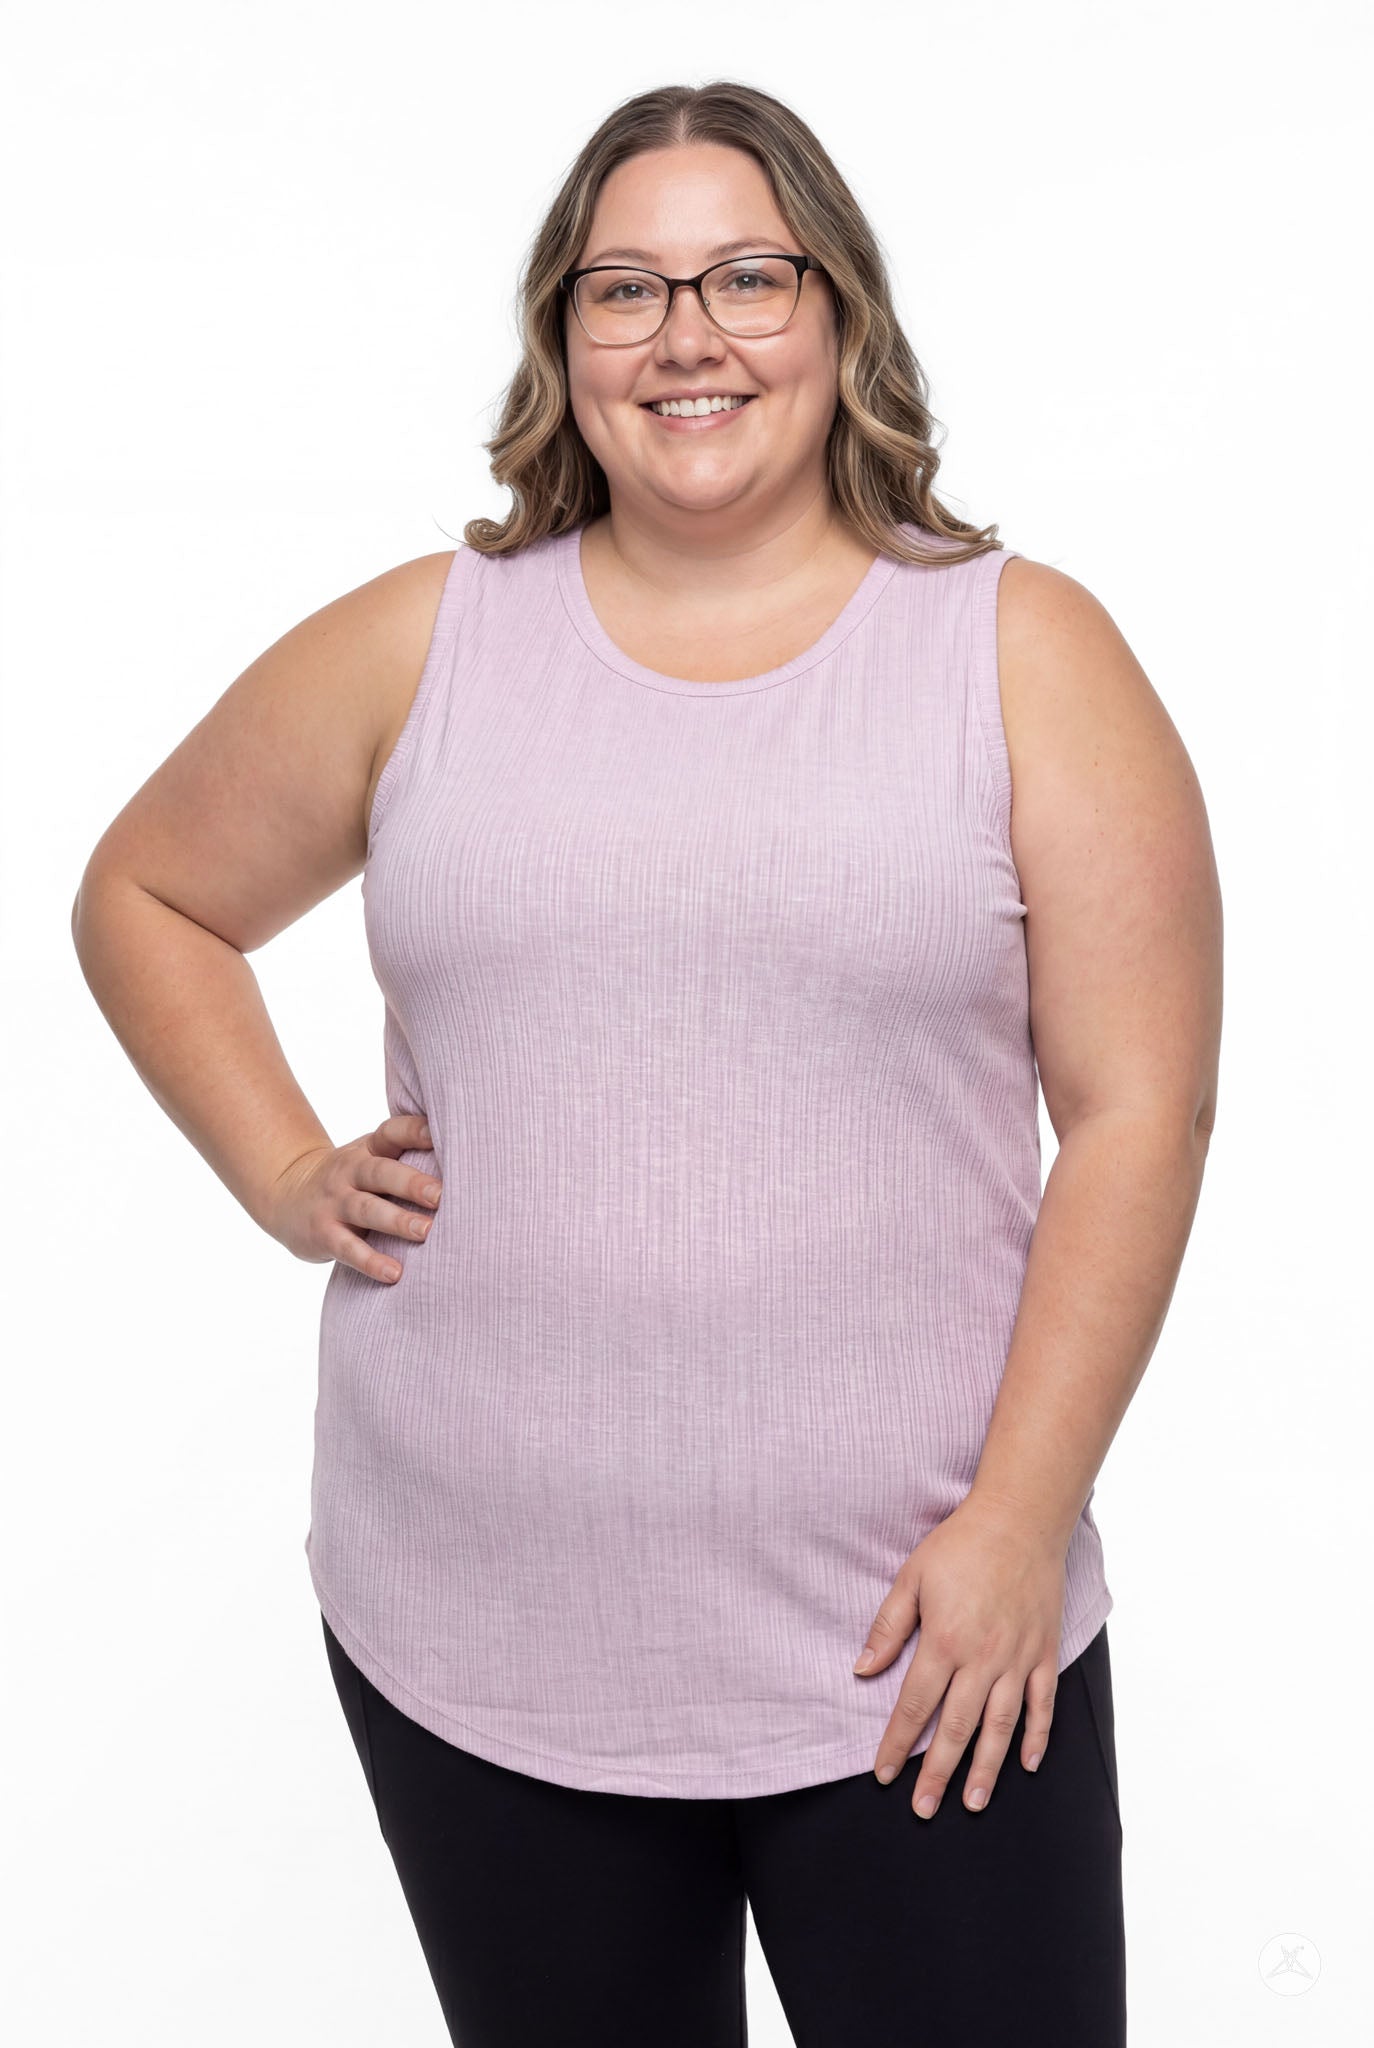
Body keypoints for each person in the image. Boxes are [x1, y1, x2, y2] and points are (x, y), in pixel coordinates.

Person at [71, 77, 1221, 2048]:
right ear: (562, 342)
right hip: (482, 1637)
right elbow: (148, 892)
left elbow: (1137, 1112)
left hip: (924, 1638)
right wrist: (281, 1171)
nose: (689, 334)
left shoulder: (1026, 655)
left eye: (747, 275)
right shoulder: (418, 645)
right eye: (627, 290)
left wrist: (1024, 1521)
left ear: (840, 314)